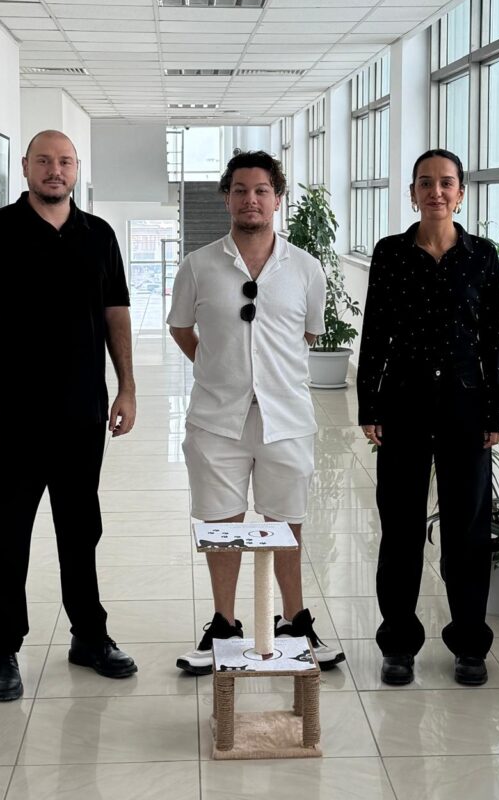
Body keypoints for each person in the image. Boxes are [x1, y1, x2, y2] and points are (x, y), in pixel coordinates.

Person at [0, 130, 138, 701]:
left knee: (81, 530)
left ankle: (89, 636)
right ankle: (4, 649)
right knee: (10, 533)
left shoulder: (99, 235)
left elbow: (116, 314)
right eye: (43, 161)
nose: (54, 170)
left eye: (64, 162)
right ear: (26, 167)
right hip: (13, 415)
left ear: (76, 169)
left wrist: (127, 388)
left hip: (83, 412)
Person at [168, 150, 345, 675]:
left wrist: (265, 376)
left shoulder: (306, 269)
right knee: (221, 526)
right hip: (215, 420)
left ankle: (294, 620)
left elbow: (307, 334)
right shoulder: (198, 265)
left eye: (262, 190)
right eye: (241, 190)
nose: (251, 199)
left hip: (285, 419)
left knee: (286, 524)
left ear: (277, 199)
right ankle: (223, 624)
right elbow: (181, 328)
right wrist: (219, 368)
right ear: (226, 198)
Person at [357, 149, 499, 687]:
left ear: (461, 193)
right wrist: (369, 404)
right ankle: (398, 643)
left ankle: (469, 644)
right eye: (426, 182)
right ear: (413, 193)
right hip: (404, 402)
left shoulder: (481, 256)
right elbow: (375, 331)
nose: (436, 191)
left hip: (466, 406)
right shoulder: (391, 253)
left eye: (446, 183)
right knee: (400, 527)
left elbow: (493, 338)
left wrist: (496, 410)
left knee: (467, 529)